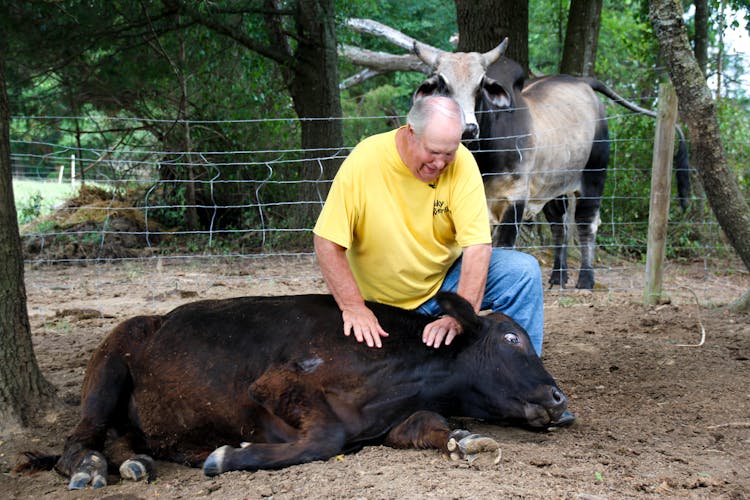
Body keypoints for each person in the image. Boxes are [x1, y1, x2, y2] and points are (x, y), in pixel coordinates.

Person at [313, 95, 545, 355]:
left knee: (523, 273)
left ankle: (521, 373)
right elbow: (327, 241)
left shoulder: (463, 164)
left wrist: (460, 316)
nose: (440, 163)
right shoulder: (366, 161)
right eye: (433, 152)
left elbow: (477, 247)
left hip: (442, 285)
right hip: (382, 300)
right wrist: (353, 306)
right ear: (411, 132)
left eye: (449, 153)